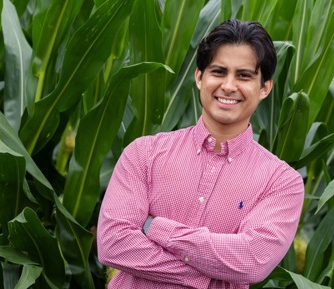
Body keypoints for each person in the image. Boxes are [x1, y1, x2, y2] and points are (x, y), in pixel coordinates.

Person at [97, 19, 305, 289]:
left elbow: (251, 261)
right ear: (199, 77)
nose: (229, 86)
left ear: (265, 87)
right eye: (218, 72)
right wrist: (205, 277)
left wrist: (154, 227)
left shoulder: (280, 182)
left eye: (244, 75)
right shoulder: (144, 154)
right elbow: (114, 243)